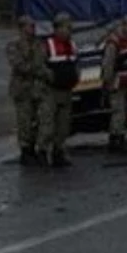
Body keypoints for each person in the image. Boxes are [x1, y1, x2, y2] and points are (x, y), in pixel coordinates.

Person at [6, 15, 50, 166]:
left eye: (33, 26)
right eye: (30, 26)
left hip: (37, 88)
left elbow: (43, 60)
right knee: (24, 121)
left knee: (41, 119)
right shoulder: (14, 45)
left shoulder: (39, 44)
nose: (33, 29)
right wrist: (36, 70)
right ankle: (26, 150)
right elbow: (19, 65)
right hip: (22, 88)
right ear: (22, 28)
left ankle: (38, 148)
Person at [38, 12, 80, 168]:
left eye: (70, 28)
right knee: (47, 124)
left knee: (63, 126)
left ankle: (58, 151)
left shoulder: (72, 45)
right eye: (66, 27)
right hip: (50, 91)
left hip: (67, 90)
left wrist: (76, 77)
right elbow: (39, 65)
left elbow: (76, 63)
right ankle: (42, 151)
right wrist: (50, 76)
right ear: (57, 28)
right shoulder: (47, 45)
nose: (69, 31)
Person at [101, 15, 127, 153]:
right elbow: (108, 65)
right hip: (117, 84)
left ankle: (121, 136)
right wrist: (108, 83)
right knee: (118, 112)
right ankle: (116, 139)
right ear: (123, 26)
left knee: (124, 111)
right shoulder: (114, 43)